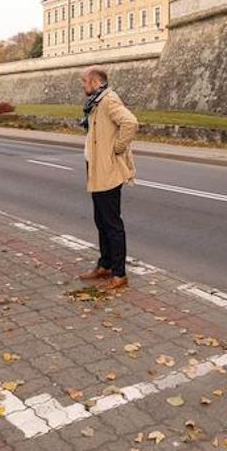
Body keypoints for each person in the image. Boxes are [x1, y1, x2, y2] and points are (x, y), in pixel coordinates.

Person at [77, 66, 137, 291]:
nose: (83, 85)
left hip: (108, 170)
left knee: (112, 223)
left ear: (94, 82)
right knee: (101, 220)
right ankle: (106, 264)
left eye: (84, 81)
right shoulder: (96, 102)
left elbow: (130, 123)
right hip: (97, 170)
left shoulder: (109, 100)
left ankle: (119, 274)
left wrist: (117, 148)